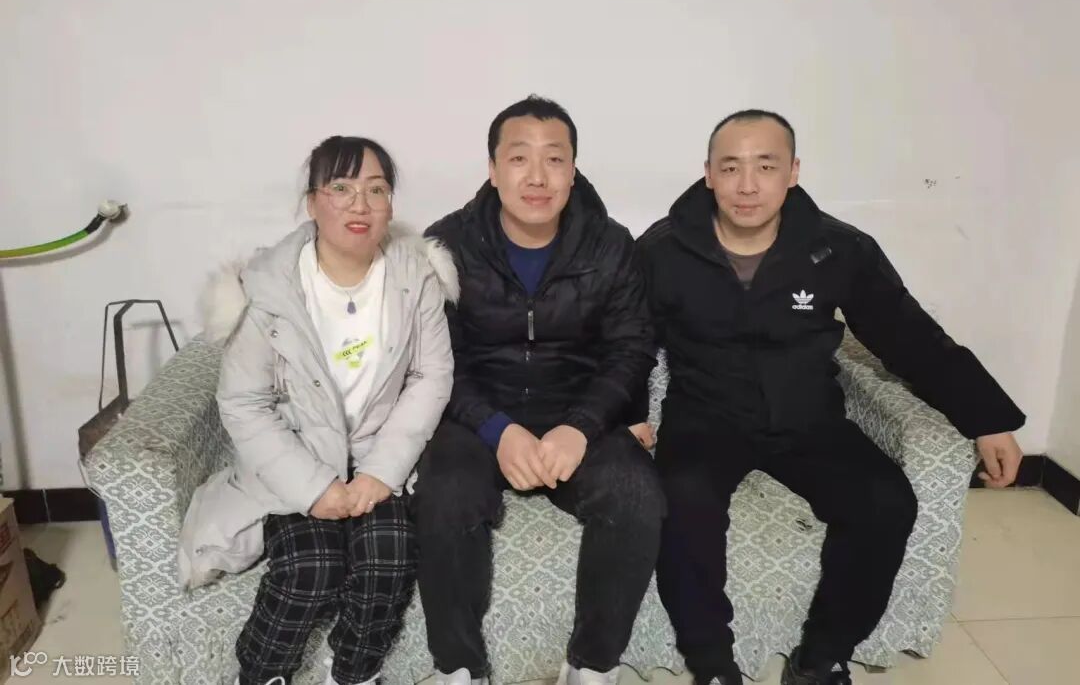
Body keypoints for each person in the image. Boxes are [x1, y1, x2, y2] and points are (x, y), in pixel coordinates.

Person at [636, 110, 1025, 685]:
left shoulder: (838, 248)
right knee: (681, 500)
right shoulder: (662, 250)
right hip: (706, 418)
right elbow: (627, 341)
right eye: (731, 168)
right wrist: (628, 414)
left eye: (766, 166)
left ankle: (821, 658)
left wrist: (987, 419)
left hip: (808, 419)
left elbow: (910, 337)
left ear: (793, 172)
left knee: (886, 502)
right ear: (709, 174)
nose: (748, 185)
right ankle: (713, 665)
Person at [178, 136, 457, 685]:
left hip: (377, 456)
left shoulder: (415, 275)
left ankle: (353, 673)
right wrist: (313, 487)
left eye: (376, 190)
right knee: (312, 568)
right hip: (296, 455)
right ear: (312, 202)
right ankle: (260, 673)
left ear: (391, 204)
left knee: (388, 560)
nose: (360, 205)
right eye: (341, 188)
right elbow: (244, 402)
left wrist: (380, 473)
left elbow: (431, 376)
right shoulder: (266, 288)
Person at [413, 95, 665, 685]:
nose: (537, 176)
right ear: (492, 169)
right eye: (519, 158)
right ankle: (459, 669)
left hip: (576, 414)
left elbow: (631, 349)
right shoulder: (446, 245)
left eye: (554, 159)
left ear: (573, 170)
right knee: (444, 496)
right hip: (477, 416)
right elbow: (433, 358)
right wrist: (497, 430)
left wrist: (580, 426)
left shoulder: (610, 244)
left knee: (637, 495)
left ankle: (591, 666)